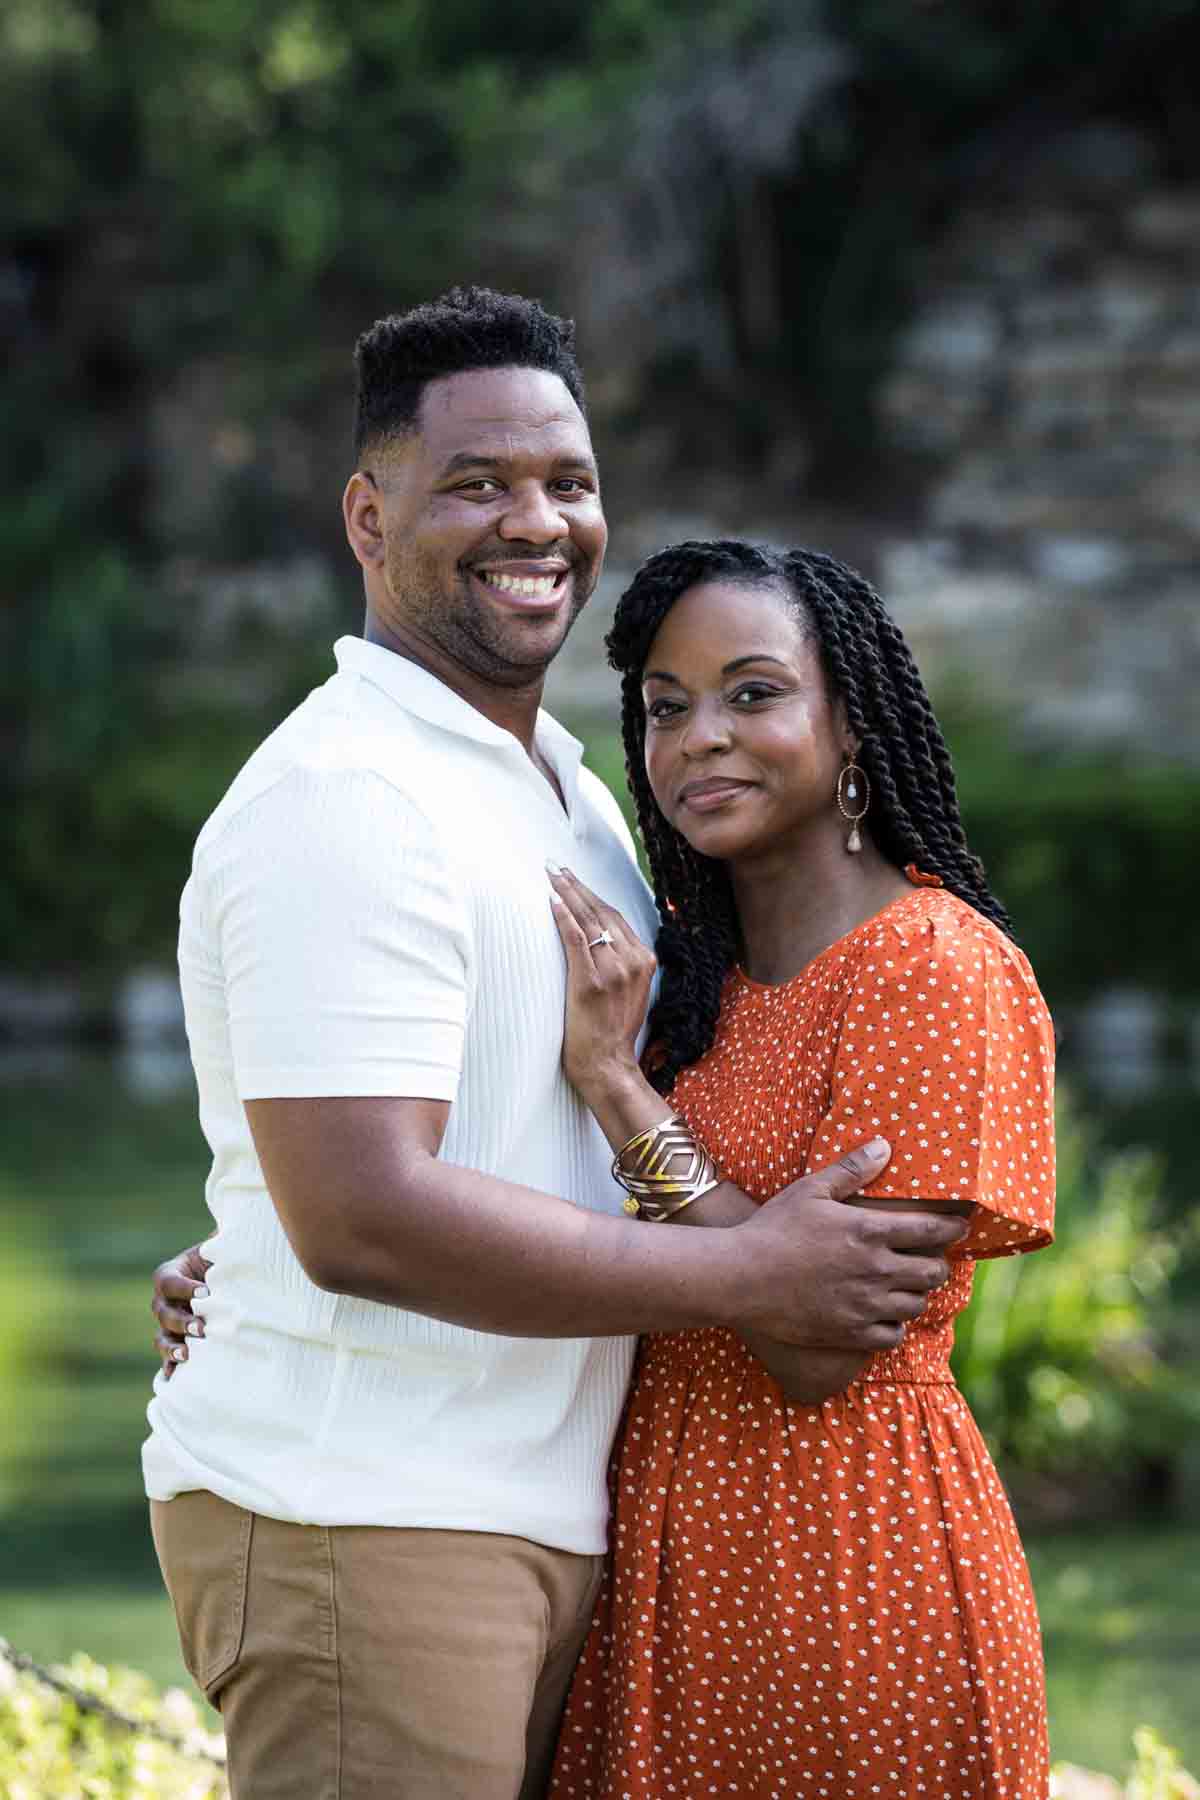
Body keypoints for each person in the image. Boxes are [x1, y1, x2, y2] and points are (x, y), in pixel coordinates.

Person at [144, 289, 968, 1800]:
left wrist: (236, 1252)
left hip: (540, 1507)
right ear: (368, 515)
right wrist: (753, 1270)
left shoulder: (579, 800)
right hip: (364, 1510)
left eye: (568, 483)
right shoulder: (348, 795)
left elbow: (496, 1141)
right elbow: (364, 1214)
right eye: (478, 484)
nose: (537, 522)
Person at [537, 539, 1057, 1799]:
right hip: (657, 1540)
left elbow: (816, 1347)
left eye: (753, 693)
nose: (700, 736)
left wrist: (619, 1094)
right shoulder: (685, 984)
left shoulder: (932, 968)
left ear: (853, 723)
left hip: (847, 1563)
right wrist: (270, 1264)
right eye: (666, 708)